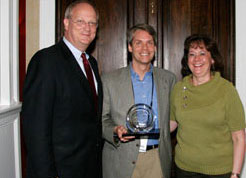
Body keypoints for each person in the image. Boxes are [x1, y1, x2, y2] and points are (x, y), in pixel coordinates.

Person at [21, 1, 103, 178]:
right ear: (66, 23)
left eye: (92, 23)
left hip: (89, 168)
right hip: (60, 171)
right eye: (80, 21)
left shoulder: (91, 64)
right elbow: (35, 129)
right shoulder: (46, 61)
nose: (87, 28)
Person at [102, 24, 176, 178]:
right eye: (138, 43)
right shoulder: (109, 80)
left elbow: (174, 117)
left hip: (157, 159)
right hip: (121, 159)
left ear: (155, 47)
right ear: (130, 47)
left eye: (149, 42)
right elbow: (101, 120)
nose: (145, 48)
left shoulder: (168, 79)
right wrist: (115, 131)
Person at [170, 34, 246, 178]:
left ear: (212, 59)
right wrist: (142, 126)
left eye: (202, 53)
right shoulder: (179, 89)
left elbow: (239, 138)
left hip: (220, 172)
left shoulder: (226, 90)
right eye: (192, 54)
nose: (197, 59)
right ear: (187, 60)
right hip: (184, 169)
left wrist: (235, 174)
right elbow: (171, 124)